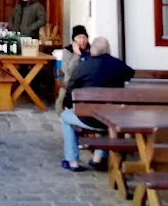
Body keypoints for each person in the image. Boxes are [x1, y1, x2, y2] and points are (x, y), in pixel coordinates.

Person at [60, 37, 134, 172]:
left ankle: (72, 161)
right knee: (107, 120)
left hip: (88, 118)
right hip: (112, 117)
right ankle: (98, 159)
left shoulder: (83, 66)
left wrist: (68, 105)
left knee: (66, 117)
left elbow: (71, 89)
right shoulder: (118, 65)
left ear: (93, 50)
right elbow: (131, 74)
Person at [55, 25, 91, 113]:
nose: (82, 40)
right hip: (70, 81)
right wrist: (77, 55)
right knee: (64, 91)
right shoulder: (67, 51)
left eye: (84, 37)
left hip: (87, 82)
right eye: (79, 37)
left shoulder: (91, 50)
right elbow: (68, 72)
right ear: (74, 40)